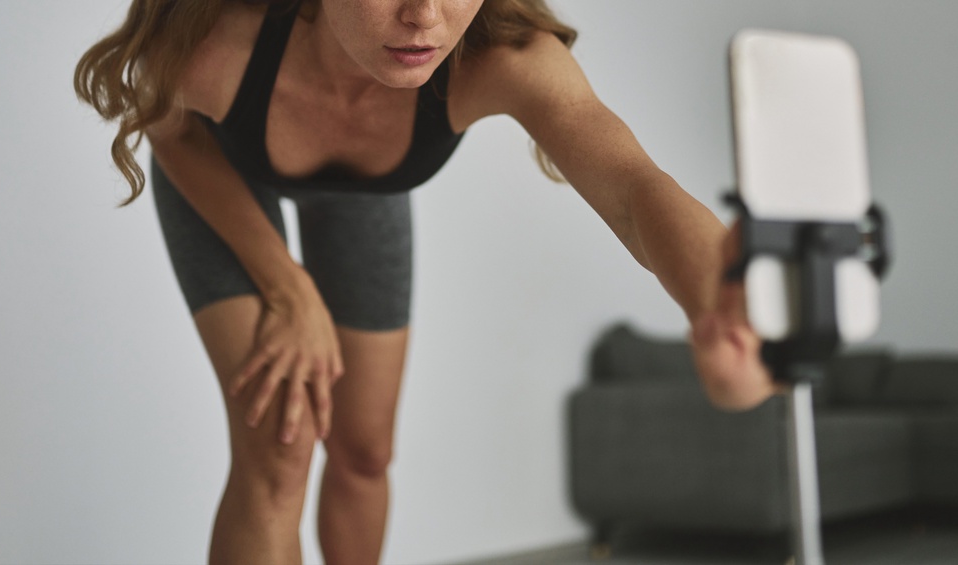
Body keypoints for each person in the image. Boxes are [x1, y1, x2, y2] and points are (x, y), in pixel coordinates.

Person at [75, 0, 778, 563]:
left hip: (368, 197)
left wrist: (719, 296)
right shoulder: (218, 36)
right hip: (221, 176)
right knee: (280, 447)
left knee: (364, 451)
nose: (424, 16)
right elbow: (173, 135)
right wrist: (287, 286)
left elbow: (631, 188)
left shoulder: (504, 54)